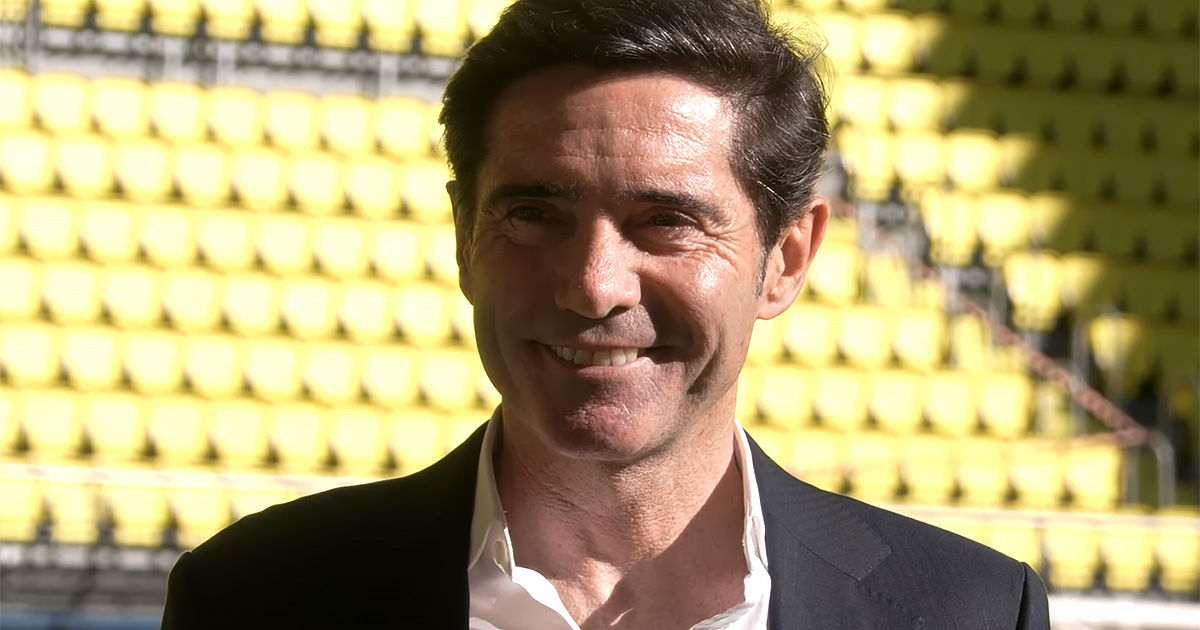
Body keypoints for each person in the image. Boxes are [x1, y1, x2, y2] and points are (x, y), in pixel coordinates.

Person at [160, 0, 1050, 628]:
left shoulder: (970, 613)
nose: (593, 286)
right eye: (533, 214)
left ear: (785, 260)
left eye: (667, 221)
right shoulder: (252, 600)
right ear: (465, 238)